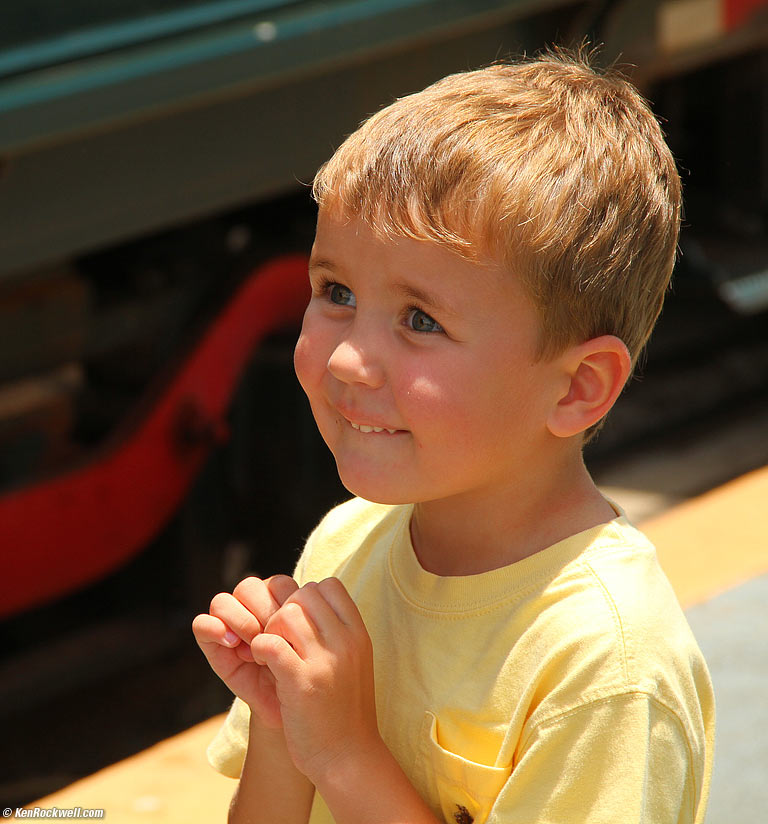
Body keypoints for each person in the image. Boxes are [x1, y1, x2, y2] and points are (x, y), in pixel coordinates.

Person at [192, 48, 715, 824]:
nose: (345, 357)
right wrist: (282, 726)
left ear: (577, 388)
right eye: (335, 292)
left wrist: (342, 754)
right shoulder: (347, 544)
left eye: (420, 320)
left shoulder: (605, 663)